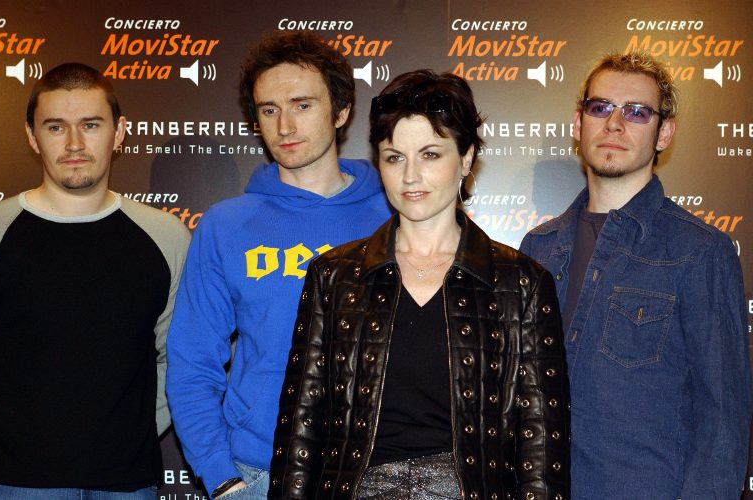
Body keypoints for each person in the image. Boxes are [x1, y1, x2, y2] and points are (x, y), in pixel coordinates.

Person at [268, 69, 570, 500]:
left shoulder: (521, 284)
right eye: (395, 157)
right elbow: (301, 427)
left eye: (430, 154)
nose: (410, 176)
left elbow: (540, 445)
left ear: (465, 159)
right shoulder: (333, 276)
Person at [165, 31, 390, 499]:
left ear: (341, 112)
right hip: (259, 472)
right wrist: (222, 479)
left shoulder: (395, 216)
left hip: (379, 473)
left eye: (302, 105)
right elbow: (192, 363)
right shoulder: (226, 225)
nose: (285, 125)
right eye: (269, 110)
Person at [520, 52, 751, 499]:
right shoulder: (538, 248)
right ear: (578, 123)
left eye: (637, 112)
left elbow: (722, 425)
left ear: (664, 133)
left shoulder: (701, 252)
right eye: (600, 107)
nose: (614, 124)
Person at [0, 63, 190, 498]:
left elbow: (180, 358)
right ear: (31, 136)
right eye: (55, 127)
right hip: (14, 482)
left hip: (129, 483)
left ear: (119, 133)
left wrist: (132, 431)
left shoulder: (167, 236)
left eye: (91, 125)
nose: (74, 143)